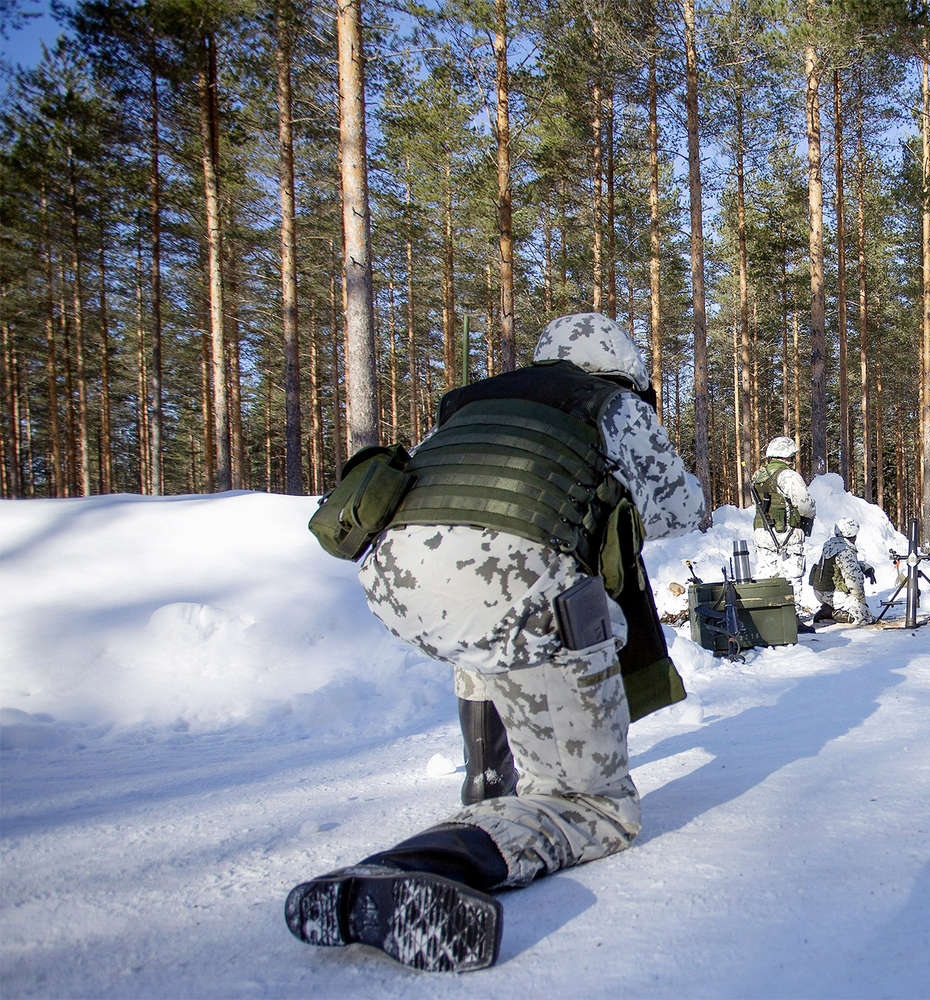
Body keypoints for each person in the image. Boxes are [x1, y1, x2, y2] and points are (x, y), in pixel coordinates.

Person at [285, 312, 705, 973]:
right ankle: (416, 866)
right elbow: (682, 508)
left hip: (393, 580)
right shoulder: (612, 402)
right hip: (519, 587)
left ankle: (489, 783)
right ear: (618, 366)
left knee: (493, 619)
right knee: (593, 804)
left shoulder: (472, 402)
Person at [749, 436, 815, 605]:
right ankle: (793, 615)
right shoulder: (788, 476)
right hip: (787, 532)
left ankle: (768, 614)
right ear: (787, 455)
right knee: (792, 574)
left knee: (767, 575)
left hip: (762, 531)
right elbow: (804, 505)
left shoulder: (759, 475)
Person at [810, 517, 876, 625]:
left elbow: (840, 566)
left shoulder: (831, 544)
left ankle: (829, 608)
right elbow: (854, 580)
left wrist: (865, 567)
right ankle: (831, 613)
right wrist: (861, 602)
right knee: (865, 617)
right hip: (833, 593)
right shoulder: (845, 550)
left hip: (819, 591)